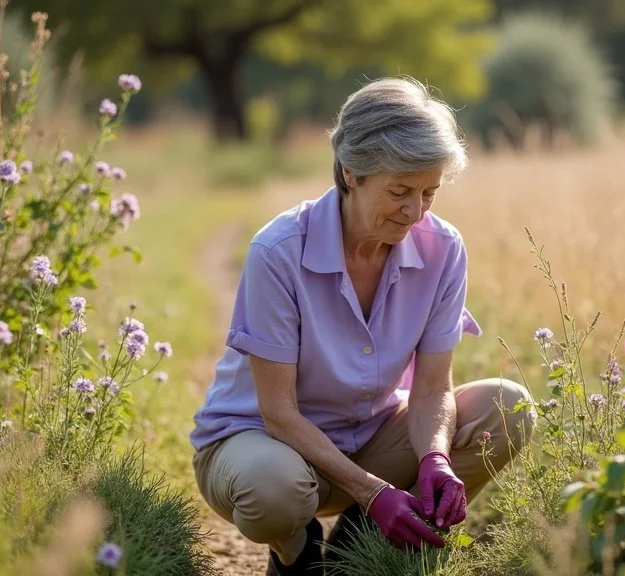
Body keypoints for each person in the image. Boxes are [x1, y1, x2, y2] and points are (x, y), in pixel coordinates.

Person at [189, 76, 535, 576]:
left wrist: (434, 459)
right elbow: (279, 413)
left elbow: (434, 386)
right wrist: (374, 492)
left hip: (370, 438)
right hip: (264, 444)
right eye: (399, 191)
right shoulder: (278, 251)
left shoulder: (444, 249)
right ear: (351, 172)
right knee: (275, 491)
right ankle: (296, 550)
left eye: (429, 193)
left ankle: (362, 541)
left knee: (510, 408)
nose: (415, 211)